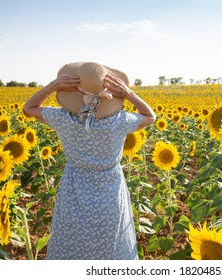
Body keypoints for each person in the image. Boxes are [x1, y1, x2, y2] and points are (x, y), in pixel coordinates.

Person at [23, 62, 156, 260]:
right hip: (111, 189)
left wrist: (53, 86)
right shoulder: (120, 121)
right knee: (113, 241)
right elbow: (150, 116)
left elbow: (29, 108)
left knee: (73, 238)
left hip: (74, 188)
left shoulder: (63, 118)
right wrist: (129, 94)